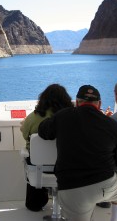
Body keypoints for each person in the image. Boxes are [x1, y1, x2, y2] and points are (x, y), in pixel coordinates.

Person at [38, 85, 117, 221]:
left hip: (72, 189)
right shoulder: (112, 124)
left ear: (77, 102)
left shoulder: (63, 116)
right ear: (99, 104)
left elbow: (43, 131)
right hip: (105, 185)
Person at [20, 84, 74, 212]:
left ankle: (35, 203)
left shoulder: (33, 117)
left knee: (32, 155)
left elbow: (25, 135)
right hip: (66, 166)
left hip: (38, 168)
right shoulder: (71, 116)